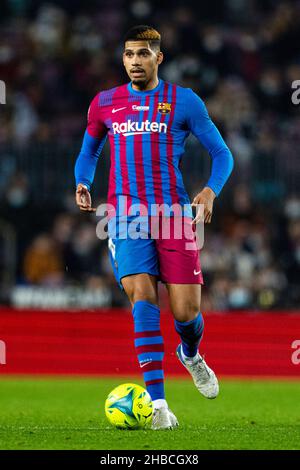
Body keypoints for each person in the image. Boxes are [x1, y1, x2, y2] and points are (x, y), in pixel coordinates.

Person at [74, 25, 234, 430]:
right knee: (141, 295)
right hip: (125, 217)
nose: (134, 61)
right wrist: (82, 181)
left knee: (186, 312)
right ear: (122, 58)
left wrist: (211, 190)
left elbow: (222, 154)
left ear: (158, 57)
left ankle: (191, 354)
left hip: (174, 217)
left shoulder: (184, 101)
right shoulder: (105, 103)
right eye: (128, 54)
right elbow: (88, 150)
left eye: (143, 54)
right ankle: (159, 406)